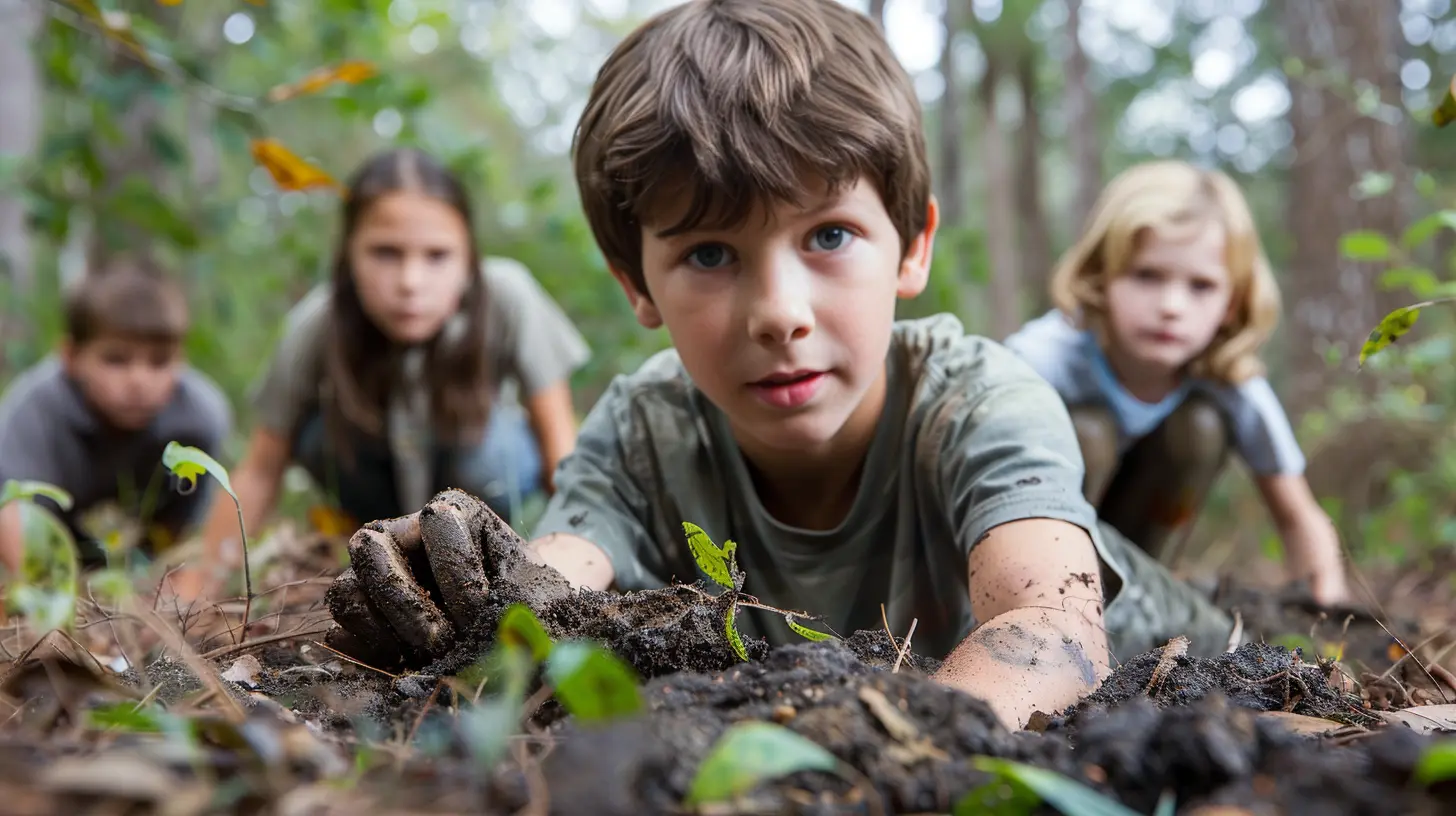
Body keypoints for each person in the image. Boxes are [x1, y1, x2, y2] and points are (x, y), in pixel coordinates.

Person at [323, 0, 1235, 731]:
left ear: (911, 246)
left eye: (829, 236)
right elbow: (561, 573)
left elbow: (1050, 630)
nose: (779, 315)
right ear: (638, 284)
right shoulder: (644, 429)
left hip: (1198, 653)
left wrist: (880, 755)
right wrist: (469, 589)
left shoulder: (980, 400)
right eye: (711, 255)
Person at [176, 147, 590, 601]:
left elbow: (560, 453)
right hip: (373, 497)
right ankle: (375, 555)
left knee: (497, 451)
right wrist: (202, 585)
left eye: (437, 256)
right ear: (349, 253)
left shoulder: (507, 296)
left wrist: (572, 566)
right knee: (315, 437)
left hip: (482, 488)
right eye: (385, 253)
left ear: (468, 258)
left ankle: (479, 558)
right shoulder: (319, 322)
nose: (411, 281)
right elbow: (261, 466)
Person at [1002, 161, 1350, 607]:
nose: (1171, 306)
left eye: (1201, 286)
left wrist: (1327, 622)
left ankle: (1138, 603)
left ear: (1232, 303)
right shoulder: (1042, 359)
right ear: (1101, 276)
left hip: (1136, 560)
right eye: (1147, 275)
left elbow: (1299, 515)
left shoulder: (1231, 382)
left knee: (1199, 426)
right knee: (1086, 433)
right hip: (1028, 557)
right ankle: (1042, 610)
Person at [0, 257, 232, 575]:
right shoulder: (34, 412)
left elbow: (189, 527)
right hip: (54, 559)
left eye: (160, 362)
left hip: (143, 567)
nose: (139, 381)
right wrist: (46, 598)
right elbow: (14, 516)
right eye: (116, 360)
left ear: (182, 358)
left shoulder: (199, 416)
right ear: (71, 357)